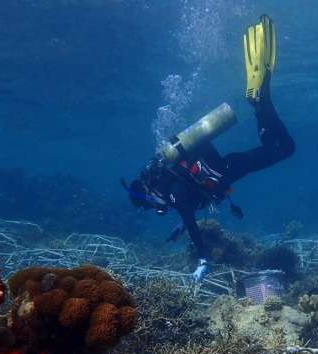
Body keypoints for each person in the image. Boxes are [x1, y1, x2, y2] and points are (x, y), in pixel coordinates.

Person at [123, 15, 295, 283]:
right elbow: (187, 207)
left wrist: (203, 260)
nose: (157, 209)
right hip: (222, 165)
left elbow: (191, 221)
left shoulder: (170, 191)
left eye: (150, 206)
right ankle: (260, 104)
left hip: (226, 168)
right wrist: (181, 223)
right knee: (277, 147)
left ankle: (261, 101)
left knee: (284, 148)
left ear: (147, 194)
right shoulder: (169, 181)